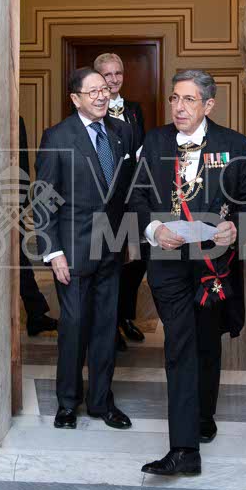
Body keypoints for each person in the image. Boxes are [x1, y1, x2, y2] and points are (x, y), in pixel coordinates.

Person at [130, 69, 246, 475]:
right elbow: (136, 199)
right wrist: (154, 229)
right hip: (168, 264)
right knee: (181, 346)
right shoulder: (154, 142)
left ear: (208, 105)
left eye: (189, 99)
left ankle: (203, 416)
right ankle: (185, 449)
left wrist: (235, 228)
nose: (179, 107)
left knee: (207, 343)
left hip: (214, 266)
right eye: (175, 98)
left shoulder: (235, 145)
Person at [34, 66, 134, 430]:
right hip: (72, 250)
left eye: (104, 89)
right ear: (76, 99)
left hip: (111, 247)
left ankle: (101, 402)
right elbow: (44, 199)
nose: (102, 95)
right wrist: (53, 251)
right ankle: (67, 403)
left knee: (106, 328)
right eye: (93, 91)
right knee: (74, 327)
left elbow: (123, 191)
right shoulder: (58, 136)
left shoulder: (121, 132)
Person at [94, 52, 146, 351]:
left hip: (132, 195)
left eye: (118, 74)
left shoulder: (135, 110)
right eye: (107, 75)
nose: (114, 80)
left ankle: (125, 316)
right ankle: (108, 325)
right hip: (105, 199)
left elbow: (140, 150)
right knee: (109, 261)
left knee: (136, 261)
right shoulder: (90, 108)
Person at [19, 115, 57, 336]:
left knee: (17, 258)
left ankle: (35, 312)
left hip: (7, 204)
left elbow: (21, 163)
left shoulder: (15, 120)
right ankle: (35, 312)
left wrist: (21, 202)